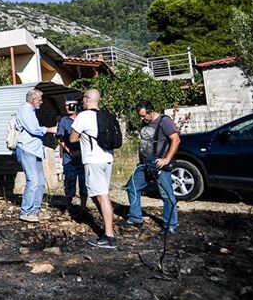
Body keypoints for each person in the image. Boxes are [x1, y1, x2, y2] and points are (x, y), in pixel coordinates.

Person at [122, 100, 179, 233]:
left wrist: (166, 159)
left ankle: (170, 225)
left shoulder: (165, 121)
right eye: (140, 116)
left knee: (167, 195)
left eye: (143, 116)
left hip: (158, 163)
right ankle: (135, 218)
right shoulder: (145, 122)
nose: (142, 119)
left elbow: (176, 140)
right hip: (144, 164)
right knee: (132, 187)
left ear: (151, 111)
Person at [70, 89, 117, 249]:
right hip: (107, 159)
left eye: (83, 98)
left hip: (93, 160)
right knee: (102, 195)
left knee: (102, 197)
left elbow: (72, 138)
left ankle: (109, 237)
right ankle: (109, 228)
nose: (82, 101)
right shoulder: (106, 115)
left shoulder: (83, 116)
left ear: (88, 98)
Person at [15, 88, 58, 223]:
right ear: (32, 100)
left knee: (40, 183)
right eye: (39, 100)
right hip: (27, 149)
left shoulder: (31, 111)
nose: (41, 102)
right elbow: (33, 129)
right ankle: (25, 211)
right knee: (33, 181)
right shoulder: (25, 110)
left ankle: (35, 210)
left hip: (35, 150)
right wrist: (50, 129)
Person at [56, 100, 87, 209]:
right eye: (65, 105)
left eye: (70, 105)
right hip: (69, 158)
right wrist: (70, 152)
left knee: (84, 182)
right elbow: (60, 139)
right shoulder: (64, 121)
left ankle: (83, 207)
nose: (68, 107)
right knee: (69, 182)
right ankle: (69, 206)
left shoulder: (84, 118)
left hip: (84, 157)